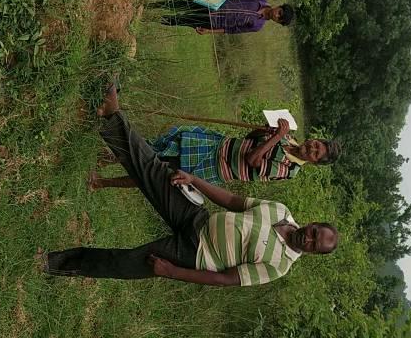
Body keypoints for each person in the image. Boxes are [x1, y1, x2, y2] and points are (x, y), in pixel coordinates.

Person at [41, 85, 339, 287]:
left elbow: (225, 279)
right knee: (156, 171)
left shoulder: (279, 265)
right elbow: (232, 201)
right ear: (312, 224)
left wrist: (172, 271)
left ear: (313, 253)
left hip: (193, 253)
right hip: (198, 218)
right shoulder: (280, 211)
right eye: (314, 232)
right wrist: (195, 180)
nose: (308, 239)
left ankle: (51, 262)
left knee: (125, 263)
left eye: (314, 244)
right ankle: (111, 115)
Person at [88, 119, 342, 190]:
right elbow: (250, 139)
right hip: (217, 144)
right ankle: (107, 157)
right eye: (316, 144)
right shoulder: (289, 138)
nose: (311, 148)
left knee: (157, 170)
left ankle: (101, 182)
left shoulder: (289, 169)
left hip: (213, 166)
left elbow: (252, 160)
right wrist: (266, 131)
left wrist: (275, 137)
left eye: (316, 153)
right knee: (159, 148)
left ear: (314, 162)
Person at [146, 0, 294, 36]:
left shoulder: (257, 26)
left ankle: (148, 19)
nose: (276, 15)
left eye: (279, 18)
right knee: (182, 5)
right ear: (279, 7)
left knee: (182, 20)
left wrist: (209, 32)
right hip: (214, 3)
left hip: (213, 22)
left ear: (277, 22)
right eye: (280, 12)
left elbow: (231, 30)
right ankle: (149, 6)